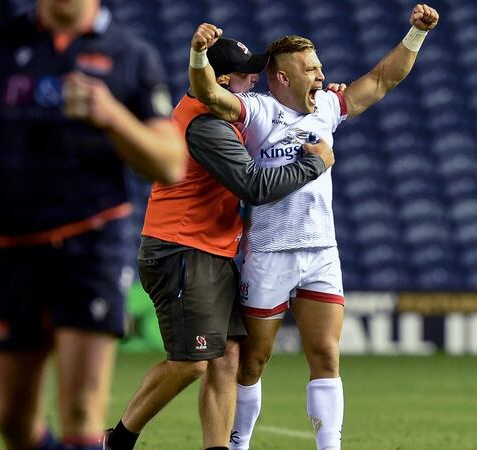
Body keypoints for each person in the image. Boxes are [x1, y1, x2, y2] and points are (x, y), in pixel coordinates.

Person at [0, 0, 186, 448]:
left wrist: (112, 115)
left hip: (94, 239)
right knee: (11, 418)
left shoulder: (129, 53)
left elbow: (169, 164)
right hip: (12, 242)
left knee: (83, 410)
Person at [188, 5, 439, 450]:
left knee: (326, 355)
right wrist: (199, 56)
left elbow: (382, 79)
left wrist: (416, 34)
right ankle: (238, 443)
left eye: (320, 66)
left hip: (322, 250)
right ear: (282, 77)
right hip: (268, 251)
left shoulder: (327, 106)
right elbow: (210, 95)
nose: (322, 76)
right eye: (311, 68)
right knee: (253, 362)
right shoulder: (257, 111)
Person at [104, 37, 337, 450]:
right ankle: (118, 440)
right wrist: (315, 162)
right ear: (224, 80)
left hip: (211, 250)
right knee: (192, 363)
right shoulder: (206, 124)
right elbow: (254, 186)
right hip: (182, 249)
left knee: (227, 358)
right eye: (248, 72)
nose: (256, 78)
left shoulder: (223, 115)